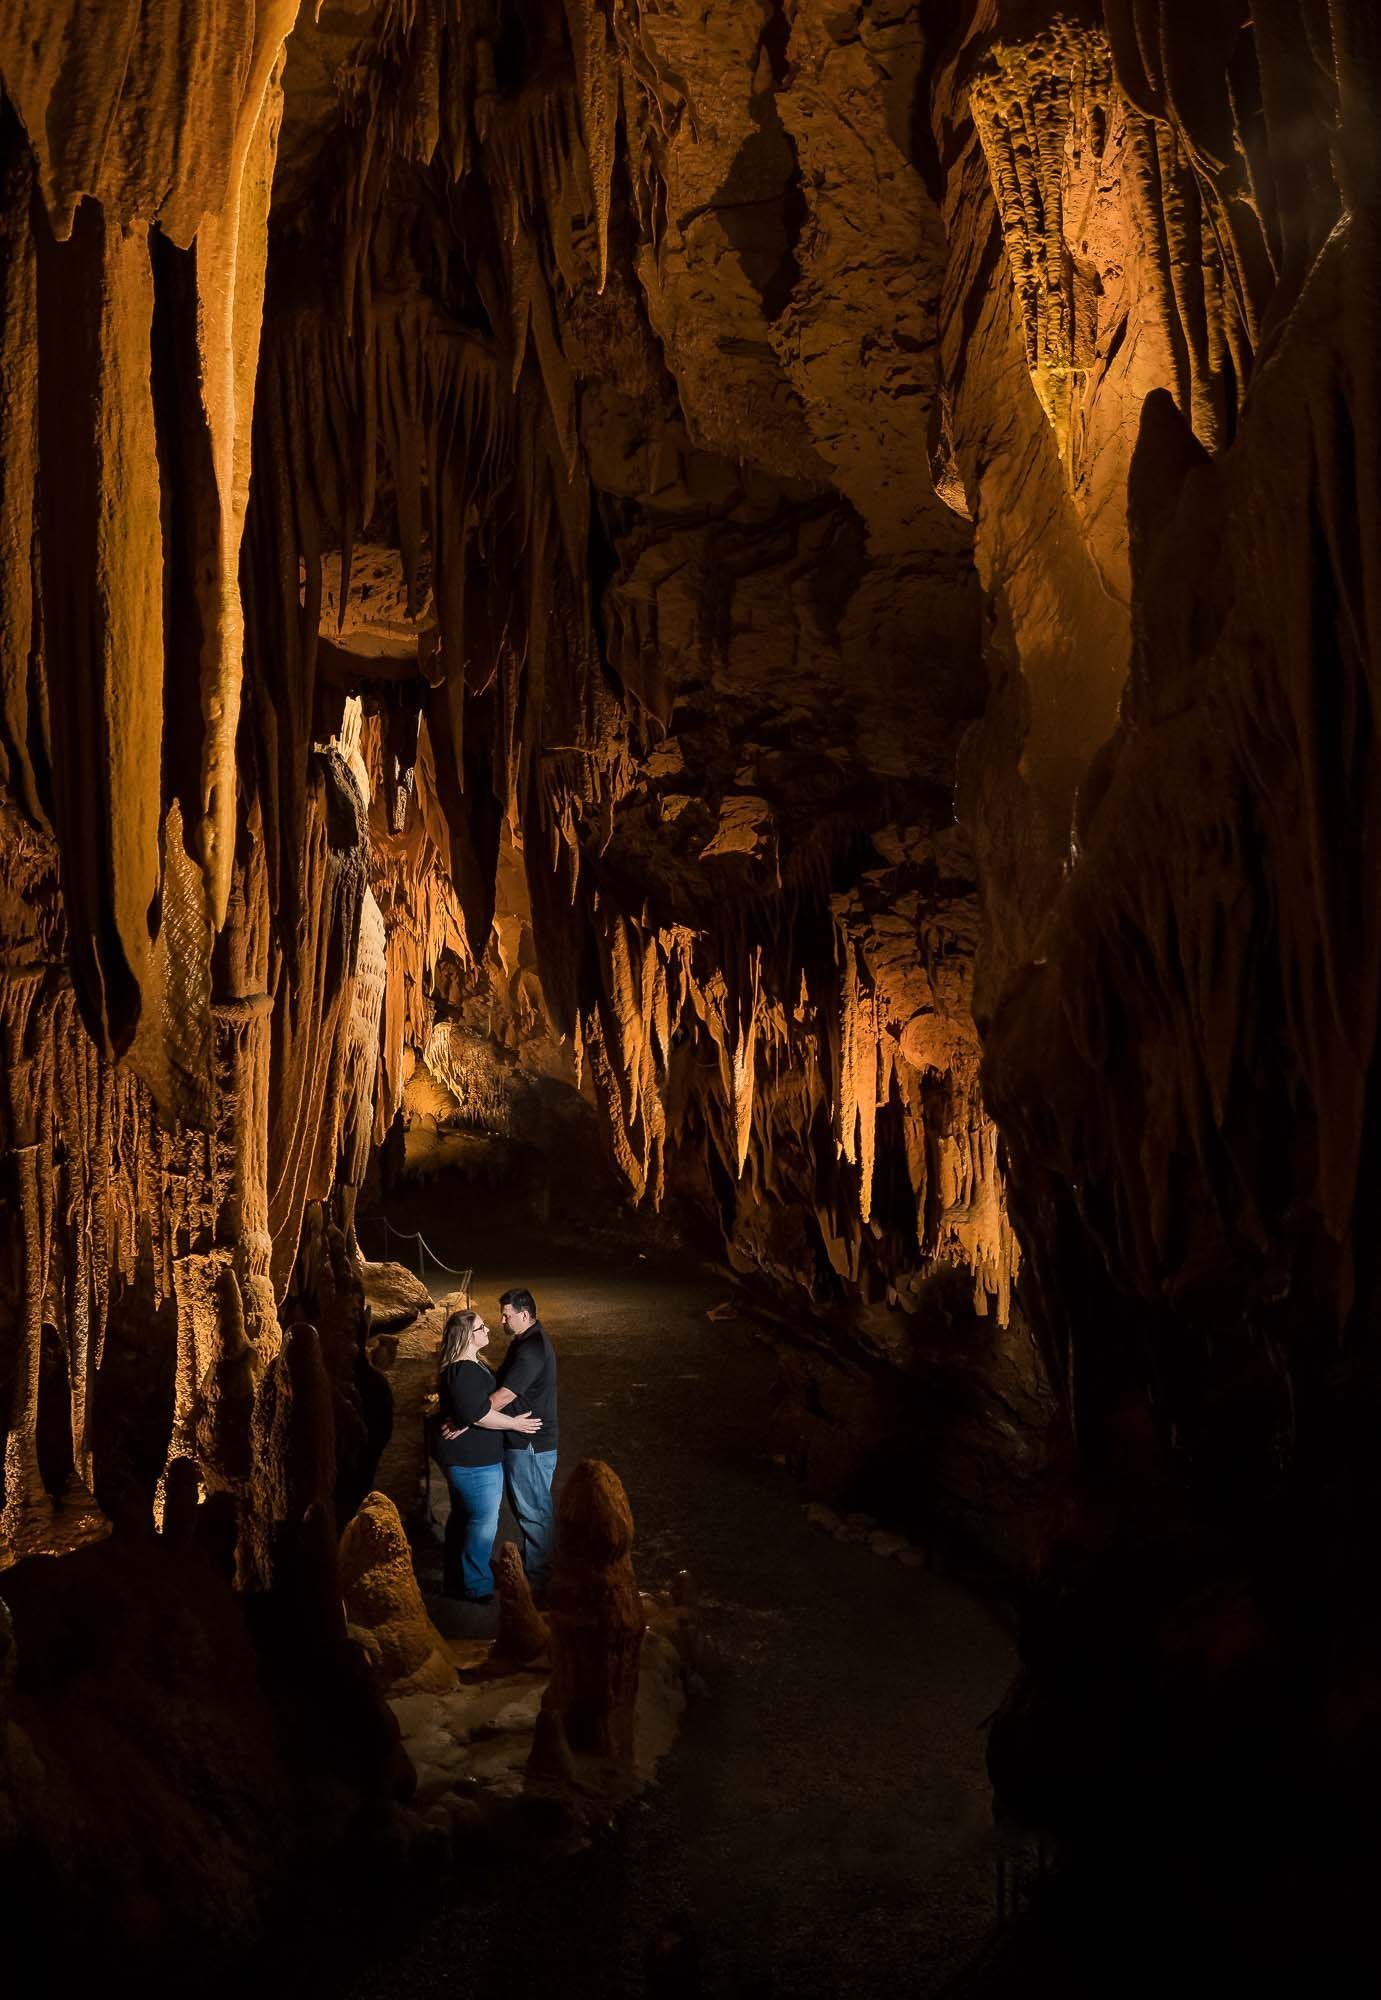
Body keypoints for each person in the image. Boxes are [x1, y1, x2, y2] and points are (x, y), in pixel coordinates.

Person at [435, 1307, 542, 1603]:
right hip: (474, 1462)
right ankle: (477, 1586)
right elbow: (478, 1413)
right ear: (468, 1336)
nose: (488, 1331)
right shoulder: (463, 1370)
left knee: (464, 1519)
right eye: (482, 1328)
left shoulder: (469, 1365)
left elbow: (471, 1411)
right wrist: (515, 1423)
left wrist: (466, 1417)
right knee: (482, 1522)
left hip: (470, 1459)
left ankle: (458, 1580)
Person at [487, 1286, 559, 1597]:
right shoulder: (524, 1342)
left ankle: (539, 1583)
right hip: (527, 1440)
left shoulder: (531, 1350)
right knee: (530, 1509)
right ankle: (538, 1572)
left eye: (506, 1315)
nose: (501, 1321)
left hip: (529, 1443)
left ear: (524, 1314)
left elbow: (504, 1396)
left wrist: (468, 1415)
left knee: (534, 1512)